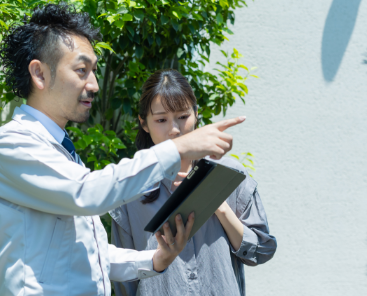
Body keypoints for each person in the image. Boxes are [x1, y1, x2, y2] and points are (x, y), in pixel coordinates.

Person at [0, 4, 246, 296]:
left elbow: (92, 253)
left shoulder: (58, 151)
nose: (95, 85)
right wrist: (177, 148)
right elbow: (88, 194)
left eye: (94, 71)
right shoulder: (10, 144)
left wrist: (154, 259)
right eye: (81, 70)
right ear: (39, 74)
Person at [110, 69, 277, 296]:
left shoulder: (230, 175)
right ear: (144, 123)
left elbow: (262, 250)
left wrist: (219, 203)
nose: (174, 130)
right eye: (161, 120)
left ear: (196, 114)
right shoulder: (129, 190)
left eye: (183, 116)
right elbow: (124, 280)